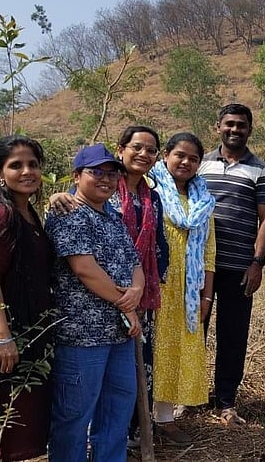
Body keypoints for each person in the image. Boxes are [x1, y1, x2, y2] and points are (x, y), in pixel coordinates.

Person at [48, 126, 169, 443]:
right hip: (83, 335)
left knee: (117, 413)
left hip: (121, 335)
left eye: (111, 175)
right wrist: (126, 304)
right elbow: (85, 269)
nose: (105, 179)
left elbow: (135, 264)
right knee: (75, 418)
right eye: (95, 172)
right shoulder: (67, 214)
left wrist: (137, 292)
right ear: (76, 176)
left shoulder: (113, 217)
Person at [0, 135, 55, 462]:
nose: (26, 171)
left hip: (31, 325)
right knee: (2, 420)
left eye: (33, 164)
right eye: (15, 165)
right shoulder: (1, 215)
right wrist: (3, 338)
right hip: (5, 329)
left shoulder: (29, 213)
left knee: (22, 418)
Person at [196, 103, 265, 425]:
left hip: (239, 266)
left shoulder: (261, 170)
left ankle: (227, 400)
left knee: (233, 335)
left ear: (249, 130)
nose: (234, 130)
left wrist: (258, 262)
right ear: (218, 125)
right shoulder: (199, 164)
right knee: (194, 331)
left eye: (241, 125)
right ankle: (189, 397)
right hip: (200, 268)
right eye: (229, 124)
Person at [149, 132, 217, 441]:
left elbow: (209, 253)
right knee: (150, 349)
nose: (186, 162)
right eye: (180, 155)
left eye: (193, 158)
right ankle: (136, 420)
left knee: (175, 350)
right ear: (166, 155)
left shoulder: (203, 200)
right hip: (155, 284)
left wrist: (206, 295)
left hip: (188, 293)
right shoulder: (149, 189)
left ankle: (164, 418)